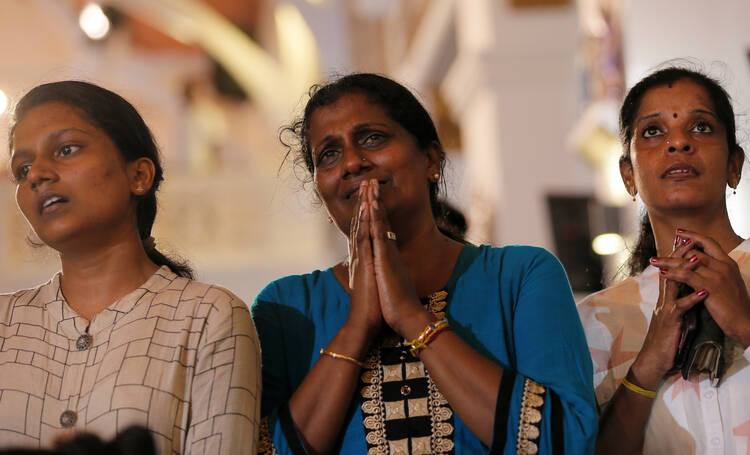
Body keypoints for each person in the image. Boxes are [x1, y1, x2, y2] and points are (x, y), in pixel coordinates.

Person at [252, 73, 596, 454]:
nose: (351, 162)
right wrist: (357, 326)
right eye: (329, 154)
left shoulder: (521, 277)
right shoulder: (286, 307)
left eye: (372, 138)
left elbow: (566, 442)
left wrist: (411, 317)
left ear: (431, 158)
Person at [0, 81, 260, 454]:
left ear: (139, 176)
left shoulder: (208, 318)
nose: (38, 174)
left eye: (66, 149)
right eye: (23, 169)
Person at [577, 66, 750, 454]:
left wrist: (744, 323)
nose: (678, 143)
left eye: (701, 127)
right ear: (628, 177)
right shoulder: (593, 324)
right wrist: (647, 367)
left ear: (735, 165)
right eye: (653, 132)